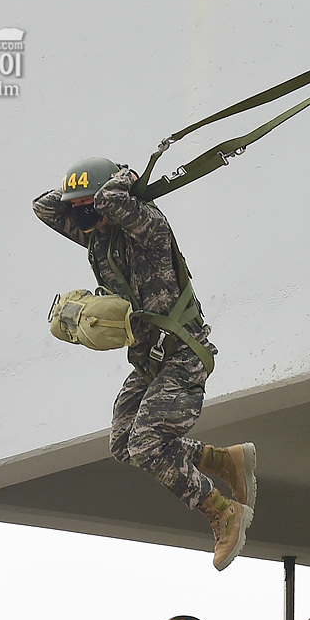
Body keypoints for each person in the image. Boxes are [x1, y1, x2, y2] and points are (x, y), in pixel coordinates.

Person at [34, 157, 257, 571]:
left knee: (147, 445)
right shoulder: (96, 238)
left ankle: (222, 510)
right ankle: (224, 459)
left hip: (183, 355)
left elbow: (113, 202)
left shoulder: (147, 227)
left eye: (91, 206)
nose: (83, 216)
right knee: (124, 444)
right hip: (150, 360)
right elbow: (44, 207)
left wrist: (122, 180)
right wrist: (84, 192)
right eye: (79, 209)